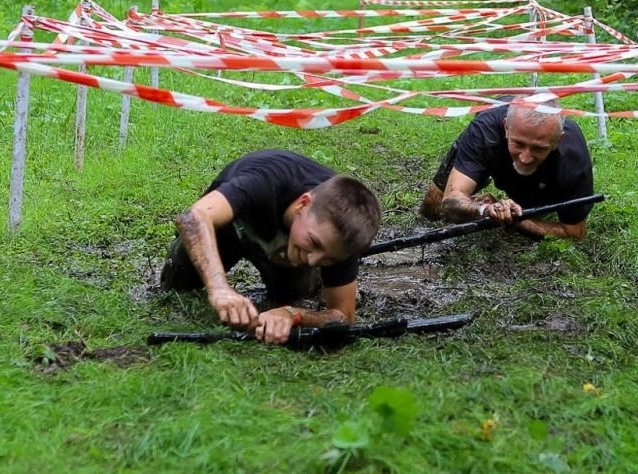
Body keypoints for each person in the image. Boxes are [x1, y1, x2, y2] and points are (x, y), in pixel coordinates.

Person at [159, 150, 383, 344]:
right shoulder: (263, 181)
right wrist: (219, 289)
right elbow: (193, 218)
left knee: (293, 296)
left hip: (284, 248)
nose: (314, 261)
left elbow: (344, 317)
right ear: (303, 204)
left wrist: (293, 314)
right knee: (177, 286)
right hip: (228, 230)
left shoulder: (344, 234)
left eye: (329, 260)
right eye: (314, 243)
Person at [419, 101, 593, 240]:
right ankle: (479, 176)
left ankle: (523, 194)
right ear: (506, 128)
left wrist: (516, 219)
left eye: (539, 148)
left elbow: (574, 233)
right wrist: (484, 209)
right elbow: (449, 202)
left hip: (541, 177)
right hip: (492, 149)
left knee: (531, 205)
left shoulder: (572, 154)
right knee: (433, 207)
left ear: (558, 140)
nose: (525, 157)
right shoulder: (484, 130)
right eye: (519, 144)